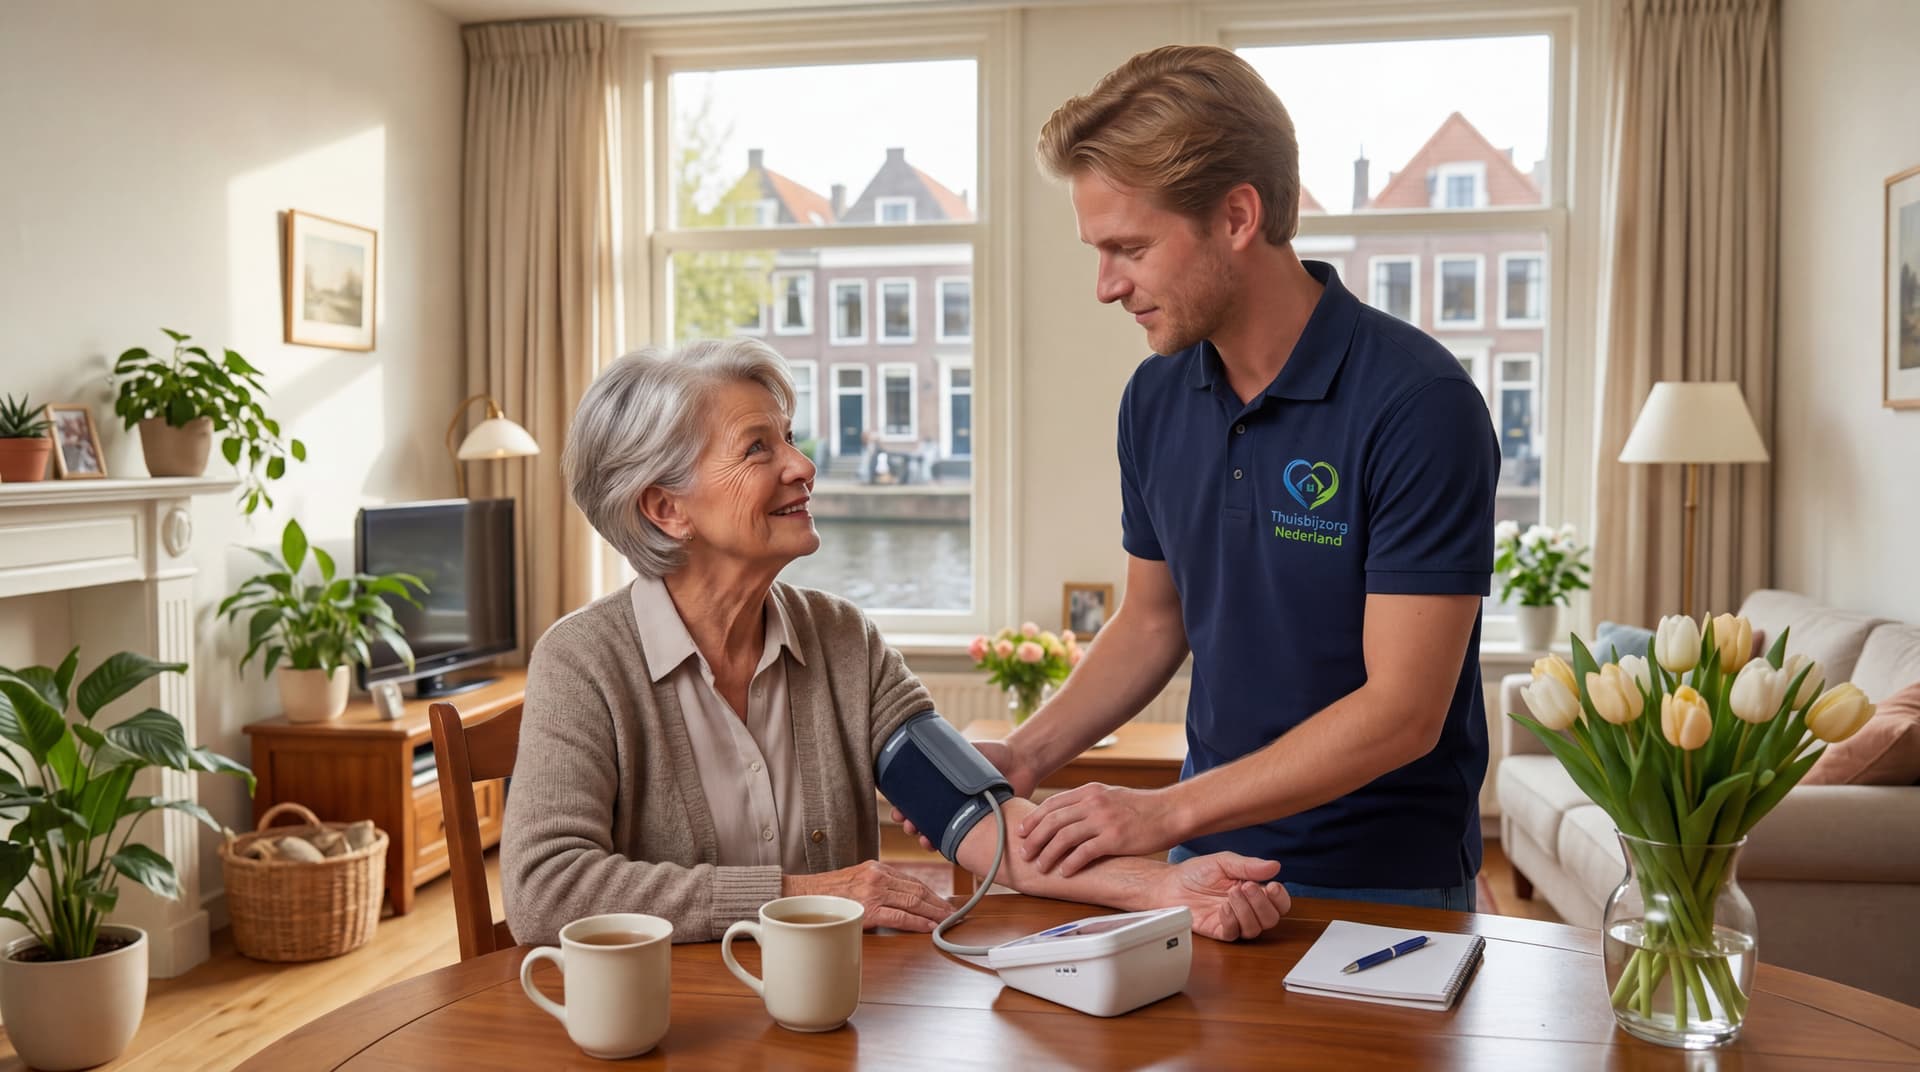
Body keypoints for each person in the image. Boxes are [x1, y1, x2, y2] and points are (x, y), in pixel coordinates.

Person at [913, 45, 1499, 912]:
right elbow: (1154, 621)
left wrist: (1160, 808)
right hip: (1202, 873)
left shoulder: (1419, 403)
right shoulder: (1156, 395)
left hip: (1386, 884)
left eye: (1129, 248)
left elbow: (1405, 711)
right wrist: (1029, 755)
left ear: (1236, 216)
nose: (1106, 286)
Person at [501, 338, 1293, 945]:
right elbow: (546, 890)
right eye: (758, 449)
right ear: (665, 508)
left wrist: (1159, 888)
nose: (803, 466)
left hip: (827, 1021)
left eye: (789, 438)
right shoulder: (585, 663)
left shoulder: (842, 641)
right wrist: (804, 896)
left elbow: (975, 818)